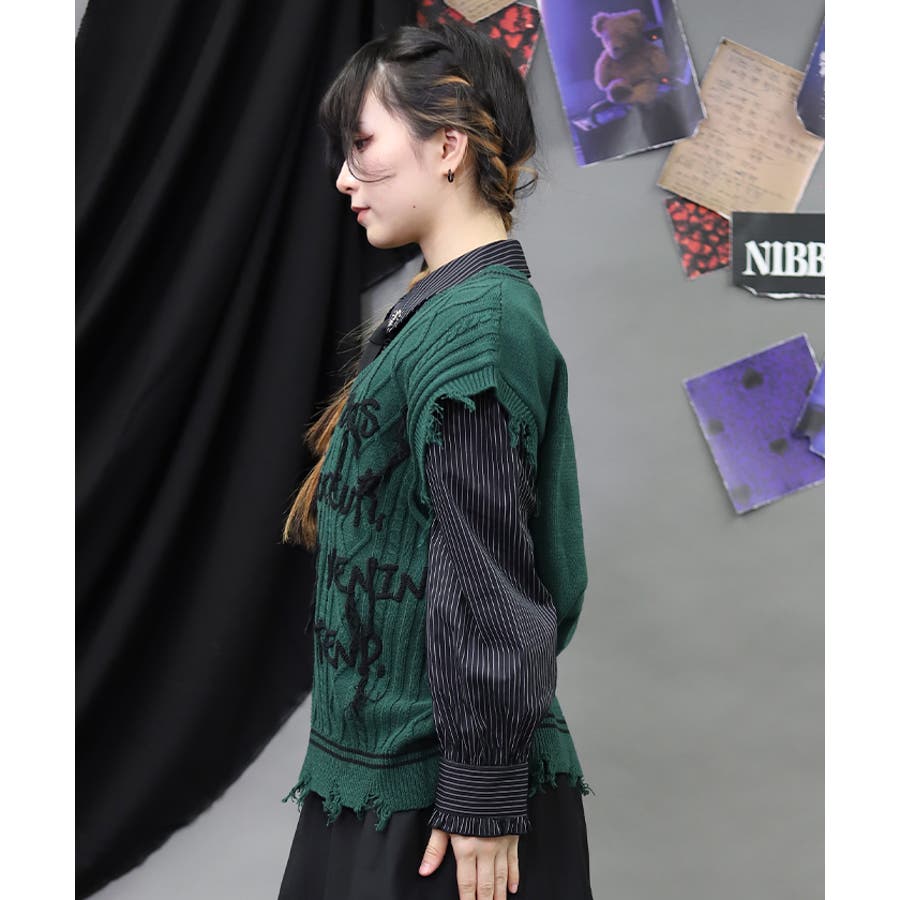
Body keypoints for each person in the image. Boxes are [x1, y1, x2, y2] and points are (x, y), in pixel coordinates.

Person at [277, 20, 593, 900]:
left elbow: (488, 574)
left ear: (447, 146)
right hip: (388, 783)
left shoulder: (477, 328)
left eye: (364, 144)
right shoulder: (441, 313)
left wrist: (484, 790)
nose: (344, 177)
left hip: (446, 805)